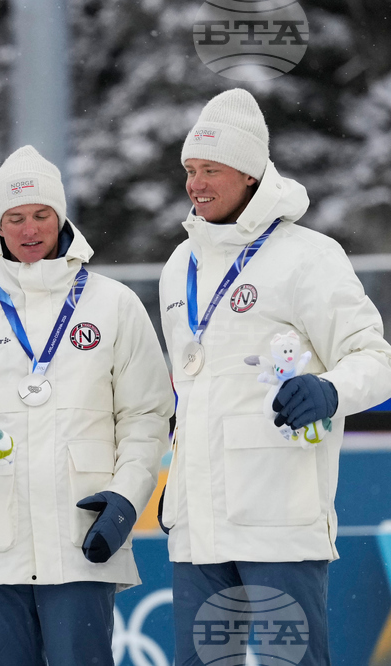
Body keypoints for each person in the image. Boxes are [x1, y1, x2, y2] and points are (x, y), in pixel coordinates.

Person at [159, 88, 391, 665]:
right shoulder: (179, 265)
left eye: (211, 169)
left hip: (280, 520)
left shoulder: (308, 255)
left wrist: (329, 390)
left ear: (250, 175)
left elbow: (375, 358)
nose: (196, 184)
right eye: (190, 169)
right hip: (197, 526)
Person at [0, 146, 173, 666]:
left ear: (61, 217)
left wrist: (127, 497)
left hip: (81, 533)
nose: (30, 229)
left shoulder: (114, 304)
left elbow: (145, 416)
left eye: (41, 214)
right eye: (15, 217)